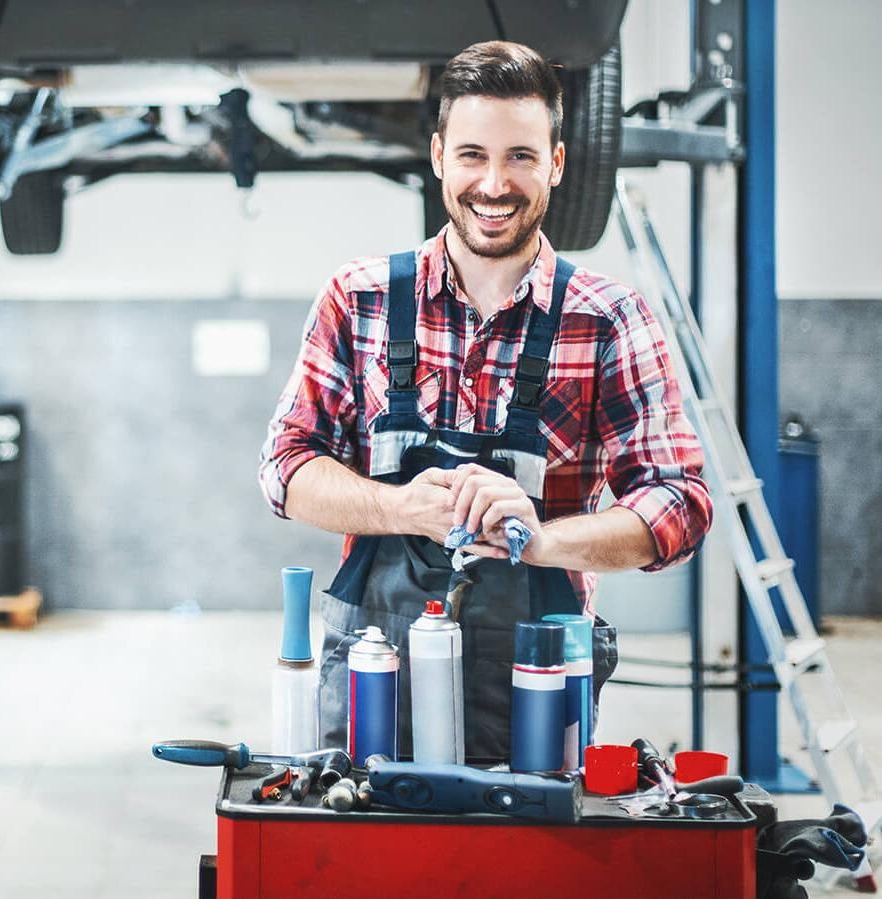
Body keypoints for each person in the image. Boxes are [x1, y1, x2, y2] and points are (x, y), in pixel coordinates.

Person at [259, 40, 712, 761]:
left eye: (521, 157)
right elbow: (285, 467)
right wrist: (401, 507)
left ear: (556, 164)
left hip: (539, 680)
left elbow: (680, 502)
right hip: (376, 676)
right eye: (472, 154)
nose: (493, 183)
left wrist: (541, 540)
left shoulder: (607, 319)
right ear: (438, 155)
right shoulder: (361, 297)